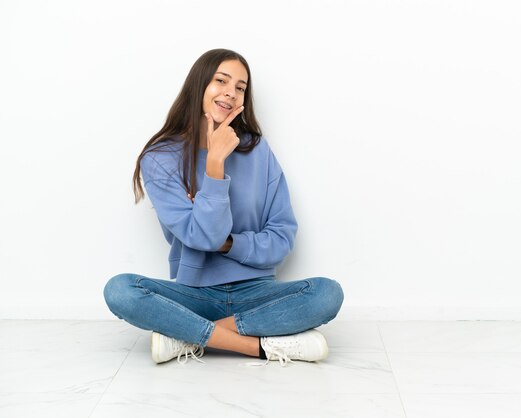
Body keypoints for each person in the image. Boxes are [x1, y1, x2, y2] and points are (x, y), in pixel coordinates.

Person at [103, 49, 344, 366]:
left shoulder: (256, 151)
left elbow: (282, 236)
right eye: (221, 81)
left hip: (256, 294)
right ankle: (258, 347)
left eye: (241, 87)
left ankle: (187, 336)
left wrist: (229, 242)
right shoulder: (159, 159)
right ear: (199, 85)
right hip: (193, 295)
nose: (231, 92)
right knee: (120, 290)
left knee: (327, 294)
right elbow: (203, 238)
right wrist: (214, 163)